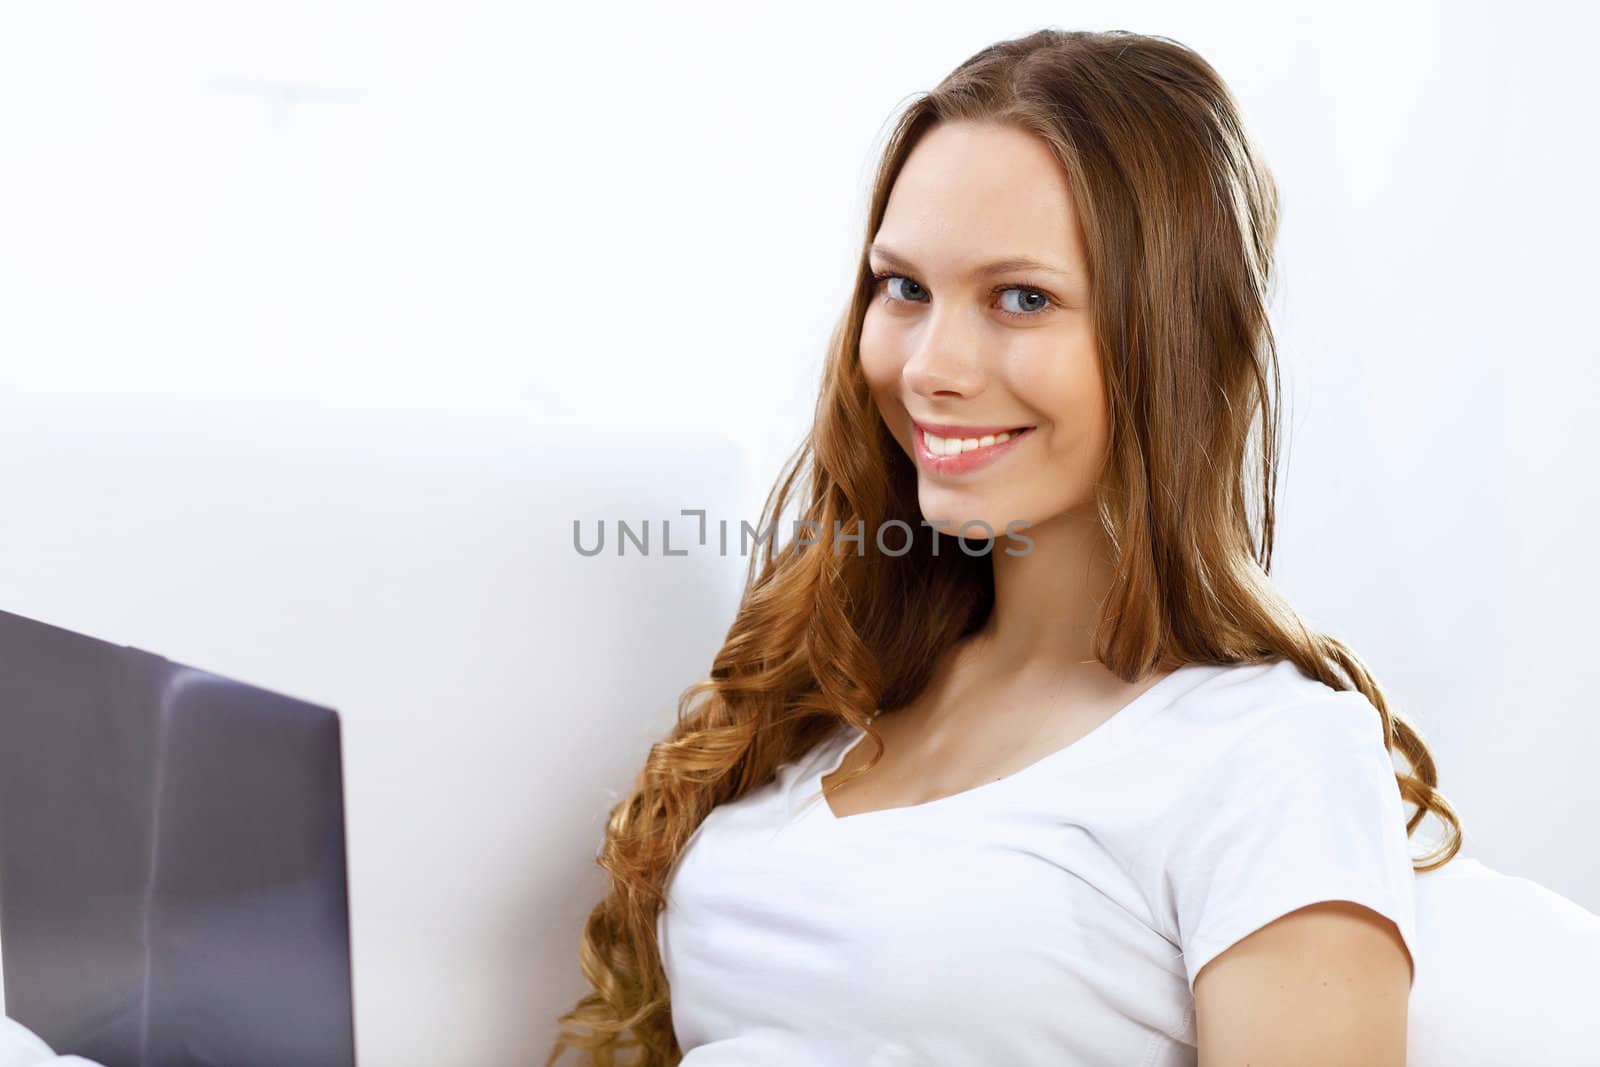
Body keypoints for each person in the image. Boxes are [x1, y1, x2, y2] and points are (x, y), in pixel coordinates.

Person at [547, 27, 1464, 1066]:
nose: (932, 366)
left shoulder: (1268, 756)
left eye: (1020, 298)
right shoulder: (835, 699)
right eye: (903, 287)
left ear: (1179, 337)